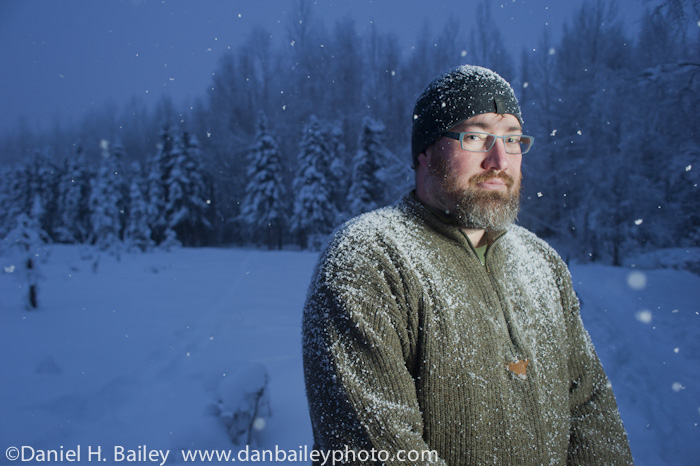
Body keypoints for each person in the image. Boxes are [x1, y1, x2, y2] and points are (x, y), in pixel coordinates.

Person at [302, 65, 633, 466]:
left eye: (512, 140)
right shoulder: (368, 258)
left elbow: (590, 409)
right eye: (475, 137)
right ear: (424, 153)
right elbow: (371, 450)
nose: (499, 159)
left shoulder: (541, 261)